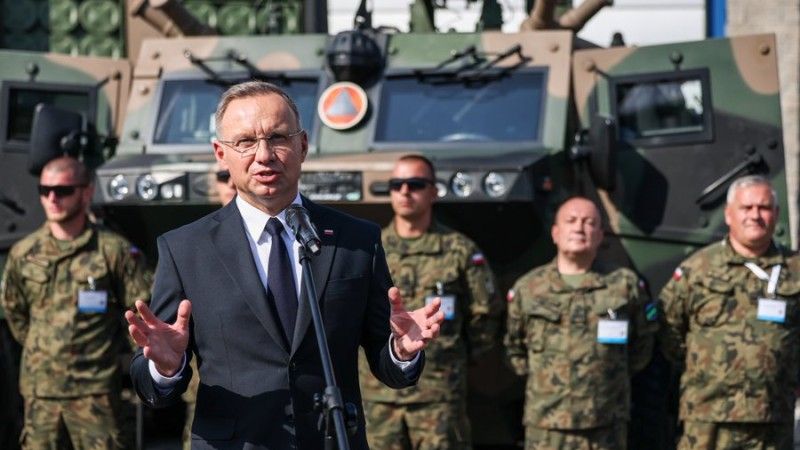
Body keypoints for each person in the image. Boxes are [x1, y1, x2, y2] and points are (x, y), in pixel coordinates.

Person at [125, 81, 444, 450]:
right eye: (244, 141)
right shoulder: (185, 249)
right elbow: (152, 387)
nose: (263, 155)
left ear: (303, 146)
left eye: (277, 137)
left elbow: (386, 367)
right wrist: (166, 368)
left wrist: (401, 351)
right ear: (220, 153)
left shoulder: (355, 240)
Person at [0, 156, 151, 449]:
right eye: (45, 190)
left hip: (95, 393)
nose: (52, 198)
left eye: (63, 190)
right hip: (41, 392)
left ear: (86, 192)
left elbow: (141, 312)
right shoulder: (24, 253)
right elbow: (16, 314)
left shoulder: (113, 251)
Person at [359, 154, 502, 450]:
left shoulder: (459, 250)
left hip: (440, 397)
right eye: (397, 184)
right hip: (380, 396)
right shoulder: (370, 250)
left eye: (415, 184)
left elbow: (485, 316)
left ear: (434, 191)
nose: (405, 192)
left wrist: (453, 361)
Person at [660, 175, 800, 450]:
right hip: (708, 418)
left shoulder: (794, 269)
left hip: (772, 418)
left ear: (777, 214)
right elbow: (668, 331)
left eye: (764, 208)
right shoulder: (697, 270)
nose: (755, 216)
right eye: (746, 208)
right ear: (728, 215)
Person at [504, 196, 656, 450]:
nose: (579, 228)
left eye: (589, 223)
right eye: (571, 221)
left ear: (599, 235)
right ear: (555, 232)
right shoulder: (529, 288)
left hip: (605, 419)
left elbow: (642, 345)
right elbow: (514, 349)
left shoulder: (624, 285)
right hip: (547, 421)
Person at [181, 163, 238, 449]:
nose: (231, 183)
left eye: (233, 175)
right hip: (210, 391)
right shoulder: (188, 246)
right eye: (223, 177)